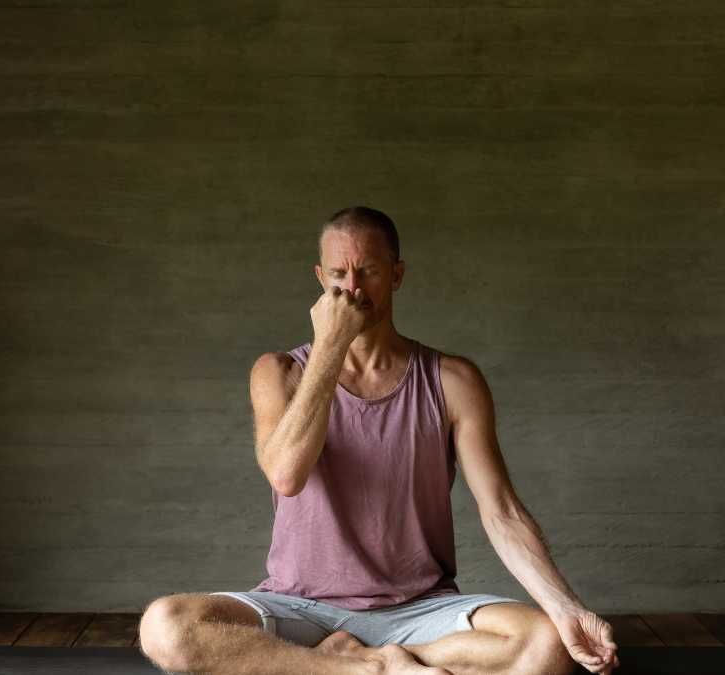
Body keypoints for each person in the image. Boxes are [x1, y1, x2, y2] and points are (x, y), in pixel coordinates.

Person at [138, 206, 620, 675]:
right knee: (166, 628)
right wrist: (330, 343)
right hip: (298, 606)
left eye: (367, 271)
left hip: (419, 611)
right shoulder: (278, 372)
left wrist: (566, 607)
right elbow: (287, 474)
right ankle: (367, 669)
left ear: (396, 274)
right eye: (338, 274)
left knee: (547, 645)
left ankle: (359, 661)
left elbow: (502, 511)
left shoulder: (453, 380)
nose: (352, 288)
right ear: (319, 277)